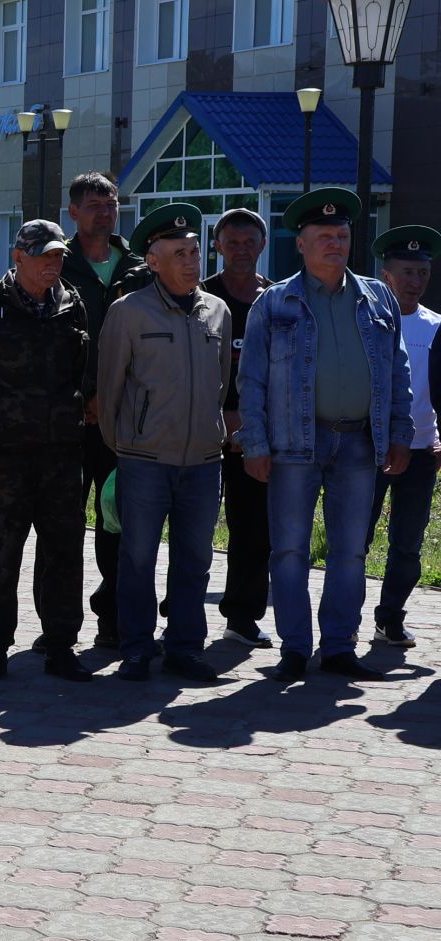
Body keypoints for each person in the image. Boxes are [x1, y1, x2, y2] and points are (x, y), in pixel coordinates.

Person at [235, 189, 412, 682]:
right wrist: (255, 443)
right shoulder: (275, 302)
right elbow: (250, 380)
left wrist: (400, 433)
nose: (335, 243)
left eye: (342, 235)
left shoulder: (378, 298)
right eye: (324, 236)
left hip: (359, 442)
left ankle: (338, 647)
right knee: (289, 549)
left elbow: (398, 373)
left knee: (350, 551)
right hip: (293, 443)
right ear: (302, 244)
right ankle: (294, 648)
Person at [0, 220, 93, 682]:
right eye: (44, 255)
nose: (53, 264)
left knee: (64, 553)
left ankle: (60, 644)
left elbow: (82, 373)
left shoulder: (73, 306)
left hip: (61, 455)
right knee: (2, 552)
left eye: (58, 256)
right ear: (19, 257)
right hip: (8, 457)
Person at [97, 204, 233, 683]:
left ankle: (185, 649)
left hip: (202, 461)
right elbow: (109, 388)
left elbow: (222, 383)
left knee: (194, 561)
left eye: (195, 251)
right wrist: (128, 444)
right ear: (153, 261)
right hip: (144, 461)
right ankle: (136, 648)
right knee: (137, 559)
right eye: (179, 253)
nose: (191, 261)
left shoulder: (217, 310)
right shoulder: (127, 313)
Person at [60, 174, 149, 649]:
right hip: (69, 422)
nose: (104, 212)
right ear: (72, 211)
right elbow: (47, 345)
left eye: (111, 203)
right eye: (94, 205)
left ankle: (112, 618)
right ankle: (60, 625)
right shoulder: (57, 263)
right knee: (62, 526)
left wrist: (109, 398)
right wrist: (85, 394)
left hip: (124, 421)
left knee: (117, 522)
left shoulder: (138, 266)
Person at [201, 209, 274, 648]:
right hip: (202, 431)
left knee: (253, 529)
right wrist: (219, 415)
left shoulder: (277, 298)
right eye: (233, 242)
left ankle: (243, 616)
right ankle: (181, 612)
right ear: (219, 246)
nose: (241, 249)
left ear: (262, 246)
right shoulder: (202, 296)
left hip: (257, 436)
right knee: (193, 528)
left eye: (250, 241)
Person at [366, 226, 440, 649]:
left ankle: (390, 617)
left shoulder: (436, 326)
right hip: (371, 448)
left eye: (423, 273)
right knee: (357, 539)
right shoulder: (369, 321)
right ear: (386, 275)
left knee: (408, 543)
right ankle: (340, 622)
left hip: (421, 449)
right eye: (407, 273)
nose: (415, 282)